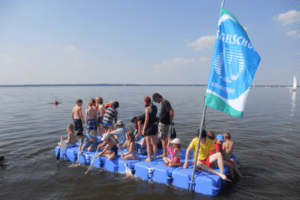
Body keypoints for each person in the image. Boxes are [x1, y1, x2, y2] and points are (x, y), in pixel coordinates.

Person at [152, 93, 174, 158]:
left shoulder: (165, 103)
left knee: (162, 139)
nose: (156, 102)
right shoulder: (164, 103)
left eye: (155, 100)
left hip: (163, 124)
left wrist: (170, 121)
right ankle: (166, 152)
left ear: (157, 97)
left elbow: (171, 112)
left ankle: (165, 153)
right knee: (165, 139)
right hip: (164, 123)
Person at [142, 96, 158, 161]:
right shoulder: (155, 107)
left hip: (149, 127)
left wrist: (143, 129)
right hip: (154, 126)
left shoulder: (147, 109)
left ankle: (149, 157)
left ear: (146, 101)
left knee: (148, 143)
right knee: (154, 142)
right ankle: (154, 156)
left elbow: (146, 119)